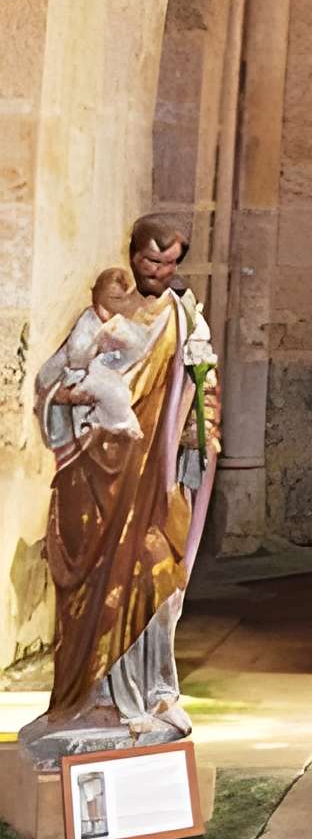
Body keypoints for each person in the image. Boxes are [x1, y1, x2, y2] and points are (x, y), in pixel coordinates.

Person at [20, 215, 219, 762]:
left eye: (169, 262)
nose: (158, 271)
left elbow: (205, 393)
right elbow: (51, 381)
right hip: (96, 471)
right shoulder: (102, 312)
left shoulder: (185, 319)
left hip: (156, 475)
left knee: (158, 575)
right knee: (94, 586)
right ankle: (91, 697)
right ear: (131, 255)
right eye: (149, 261)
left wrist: (201, 442)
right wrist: (77, 398)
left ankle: (151, 693)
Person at [52, 267, 159, 439]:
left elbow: (139, 347)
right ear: (98, 297)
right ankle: (119, 425)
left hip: (116, 372)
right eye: (115, 299)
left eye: (123, 299)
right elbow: (79, 359)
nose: (121, 304)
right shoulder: (87, 325)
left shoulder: (120, 321)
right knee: (115, 393)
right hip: (86, 378)